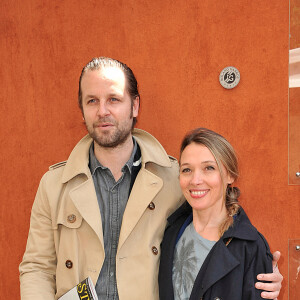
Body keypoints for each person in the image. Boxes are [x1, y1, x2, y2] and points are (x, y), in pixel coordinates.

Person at [19, 57, 282, 300]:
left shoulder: (174, 178)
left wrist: (259, 268)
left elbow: (221, 218)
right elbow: (37, 267)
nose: (102, 111)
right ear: (82, 109)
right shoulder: (54, 185)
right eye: (92, 101)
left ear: (134, 106)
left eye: (113, 99)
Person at [159, 128, 278, 300]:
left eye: (209, 168)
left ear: (229, 175)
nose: (195, 180)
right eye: (187, 170)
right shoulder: (171, 231)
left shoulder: (250, 246)